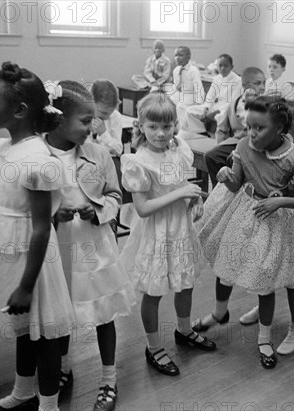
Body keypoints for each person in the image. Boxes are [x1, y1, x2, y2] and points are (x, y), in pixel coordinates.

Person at [0, 61, 74, 411]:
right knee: (22, 328)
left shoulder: (39, 161)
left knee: (43, 335)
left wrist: (26, 285)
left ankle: (49, 404)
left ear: (20, 110)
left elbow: (41, 227)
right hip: (5, 252)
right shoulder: (1, 149)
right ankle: (23, 392)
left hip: (32, 259)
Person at [193, 95, 294, 368]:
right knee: (226, 265)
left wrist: (279, 200)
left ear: (279, 129)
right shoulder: (243, 146)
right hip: (243, 214)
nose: (251, 133)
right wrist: (226, 174)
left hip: (275, 222)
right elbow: (237, 184)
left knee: (265, 279)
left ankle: (263, 338)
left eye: (259, 128)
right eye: (248, 126)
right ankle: (219, 312)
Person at [45, 80, 136, 410]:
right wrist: (54, 214)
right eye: (85, 121)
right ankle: (64, 369)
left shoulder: (100, 154)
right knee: (62, 311)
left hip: (94, 246)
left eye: (93, 119)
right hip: (57, 249)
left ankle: (109, 379)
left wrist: (97, 209)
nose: (92, 127)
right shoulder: (40, 155)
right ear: (59, 119)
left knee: (103, 312)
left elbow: (116, 195)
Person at [119, 93, 216, 378]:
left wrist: (194, 199)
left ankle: (184, 330)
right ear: (141, 126)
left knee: (185, 284)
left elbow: (183, 184)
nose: (161, 134)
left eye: (167, 127)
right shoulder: (138, 162)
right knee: (154, 290)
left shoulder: (179, 149)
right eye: (153, 127)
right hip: (156, 232)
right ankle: (153, 346)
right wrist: (181, 193)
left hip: (181, 228)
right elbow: (143, 208)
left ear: (175, 125)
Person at [204, 67, 266, 188]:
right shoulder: (233, 104)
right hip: (236, 142)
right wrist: (219, 145)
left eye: (264, 83)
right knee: (211, 155)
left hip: (259, 146)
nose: (263, 87)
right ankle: (219, 189)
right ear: (244, 85)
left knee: (234, 158)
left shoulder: (267, 105)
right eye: (258, 83)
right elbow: (221, 129)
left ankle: (239, 190)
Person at [186, 54, 242, 134]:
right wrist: (205, 109)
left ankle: (221, 134)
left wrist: (214, 113)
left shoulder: (238, 80)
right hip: (217, 105)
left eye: (226, 66)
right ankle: (201, 131)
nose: (222, 68)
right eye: (220, 65)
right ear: (217, 66)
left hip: (228, 108)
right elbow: (210, 96)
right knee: (190, 110)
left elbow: (233, 102)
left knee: (222, 115)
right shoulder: (217, 78)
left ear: (231, 67)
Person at [167, 46, 203, 130]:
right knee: (168, 102)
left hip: (191, 94)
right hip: (181, 94)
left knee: (181, 106)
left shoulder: (193, 70)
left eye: (180, 55)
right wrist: (167, 96)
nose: (177, 58)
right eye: (176, 55)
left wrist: (199, 104)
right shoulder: (176, 70)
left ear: (188, 56)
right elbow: (175, 85)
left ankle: (184, 129)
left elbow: (199, 88)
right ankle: (172, 126)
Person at [91, 79, 123, 157]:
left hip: (108, 159)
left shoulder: (115, 116)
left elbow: (118, 150)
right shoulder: (82, 115)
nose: (107, 117)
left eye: (110, 113)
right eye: (103, 113)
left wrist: (103, 133)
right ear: (92, 102)